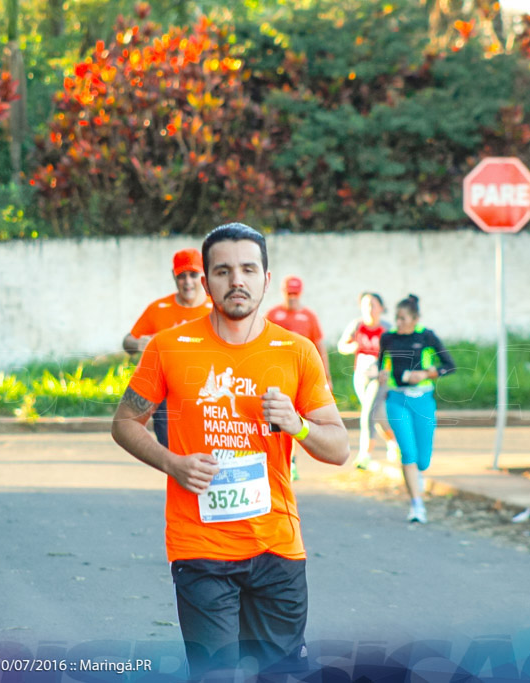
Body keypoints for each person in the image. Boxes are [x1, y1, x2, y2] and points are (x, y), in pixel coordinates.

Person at [111, 223, 350, 677]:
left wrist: (297, 425)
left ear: (265, 278)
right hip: (199, 547)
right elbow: (124, 422)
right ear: (205, 282)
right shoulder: (168, 347)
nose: (236, 280)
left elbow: (339, 448)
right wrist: (172, 463)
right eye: (222, 271)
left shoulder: (296, 351)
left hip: (276, 546)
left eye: (248, 269)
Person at [122, 248, 213, 447]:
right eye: (182, 276)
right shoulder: (158, 308)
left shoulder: (215, 308)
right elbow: (127, 341)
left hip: (204, 391)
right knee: (170, 450)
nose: (188, 282)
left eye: (193, 275)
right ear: (174, 276)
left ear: (203, 277)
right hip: (166, 393)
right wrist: (140, 344)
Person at [378, 294, 456, 524]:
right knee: (408, 453)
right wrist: (381, 374)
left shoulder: (426, 336)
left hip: (422, 399)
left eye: (403, 319)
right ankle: (416, 505)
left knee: (423, 460)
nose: (399, 323)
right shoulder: (388, 338)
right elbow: (381, 364)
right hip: (397, 400)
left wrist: (425, 373)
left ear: (415, 318)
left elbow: (449, 366)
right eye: (397, 318)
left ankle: (417, 479)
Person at [336, 291, 396, 470]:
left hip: (379, 378)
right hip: (360, 376)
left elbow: (395, 354)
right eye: (365, 305)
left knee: (367, 414)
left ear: (381, 308)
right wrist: (352, 346)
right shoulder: (357, 326)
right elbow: (341, 346)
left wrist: (386, 369)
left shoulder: (387, 329)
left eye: (373, 305)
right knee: (378, 416)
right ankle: (393, 442)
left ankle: (365, 455)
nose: (369, 309)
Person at [266, 275, 332, 383]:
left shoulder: (309, 316)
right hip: (278, 367)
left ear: (300, 293)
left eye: (295, 294)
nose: (292, 297)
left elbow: (319, 345)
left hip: (303, 367)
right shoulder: (272, 314)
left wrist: (326, 375)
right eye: (289, 293)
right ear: (283, 292)